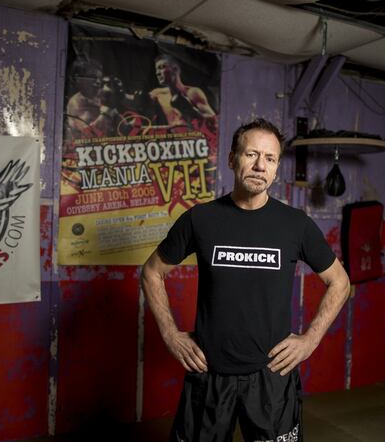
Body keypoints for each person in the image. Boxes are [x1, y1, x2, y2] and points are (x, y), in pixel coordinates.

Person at [141, 118, 350, 441]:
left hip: (271, 375)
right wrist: (170, 334)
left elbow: (340, 281)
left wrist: (310, 340)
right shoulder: (200, 219)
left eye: (269, 158)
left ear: (277, 168)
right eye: (251, 154)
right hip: (209, 372)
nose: (259, 165)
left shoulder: (295, 225)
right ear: (232, 159)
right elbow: (152, 272)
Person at [149, 54, 217, 127]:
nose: (158, 73)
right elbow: (148, 122)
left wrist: (191, 111)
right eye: (157, 69)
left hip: (192, 136)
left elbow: (214, 122)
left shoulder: (192, 93)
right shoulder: (157, 94)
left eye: (161, 67)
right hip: (171, 136)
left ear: (175, 69)